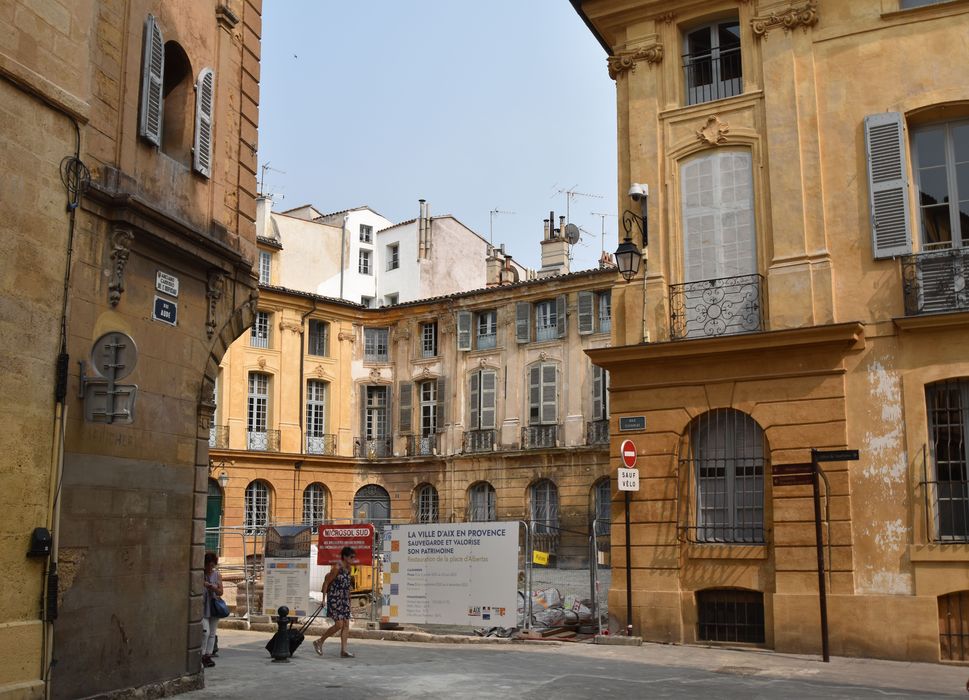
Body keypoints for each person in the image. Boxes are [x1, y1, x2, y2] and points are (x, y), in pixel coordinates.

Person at [312, 546, 356, 658]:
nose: (353, 559)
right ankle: (319, 641)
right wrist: (323, 600)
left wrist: (349, 600)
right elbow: (326, 582)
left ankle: (344, 651)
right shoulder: (337, 567)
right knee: (339, 624)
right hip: (335, 598)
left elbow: (347, 586)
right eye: (351, 557)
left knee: (346, 624)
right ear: (345, 557)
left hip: (344, 599)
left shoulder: (349, 568)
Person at [201, 551, 223, 668]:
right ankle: (202, 654)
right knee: (205, 632)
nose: (210, 567)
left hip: (213, 606)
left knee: (212, 633)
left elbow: (221, 592)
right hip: (203, 607)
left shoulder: (217, 575)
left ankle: (208, 656)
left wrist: (213, 587)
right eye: (208, 565)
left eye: (212, 565)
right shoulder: (200, 574)